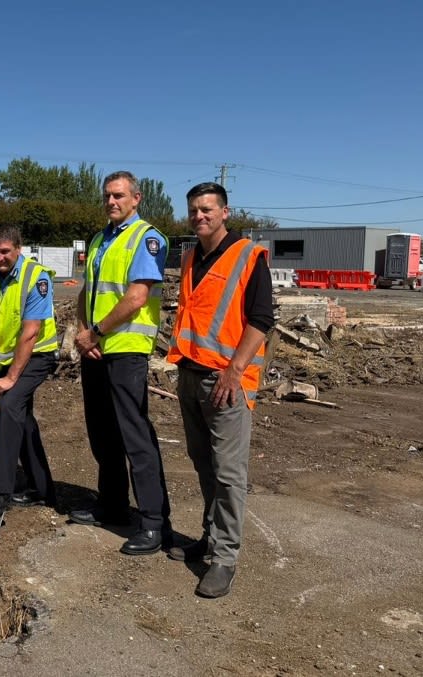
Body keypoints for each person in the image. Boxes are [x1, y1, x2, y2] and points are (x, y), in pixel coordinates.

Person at [167, 182, 272, 598]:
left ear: (225, 212)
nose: (199, 216)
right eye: (194, 210)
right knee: (203, 464)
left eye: (207, 209)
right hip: (191, 374)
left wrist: (235, 371)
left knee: (229, 474)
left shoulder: (248, 256)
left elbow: (261, 320)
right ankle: (210, 538)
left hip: (226, 381)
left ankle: (224, 558)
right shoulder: (190, 256)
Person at [69, 170, 172, 557]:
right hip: (96, 348)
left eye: (118, 195)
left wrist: (95, 332)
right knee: (102, 432)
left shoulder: (147, 238)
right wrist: (84, 332)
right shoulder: (100, 239)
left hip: (126, 348)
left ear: (136, 198)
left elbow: (136, 297)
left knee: (134, 436)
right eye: (107, 196)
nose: (111, 201)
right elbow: (87, 292)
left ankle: (153, 521)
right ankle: (112, 504)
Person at [0, 225, 59, 513]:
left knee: (9, 407)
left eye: (5, 251)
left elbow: (30, 332)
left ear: (18, 250)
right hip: (4, 357)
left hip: (37, 354)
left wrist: (10, 378)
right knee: (21, 418)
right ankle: (42, 488)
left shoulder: (37, 277)